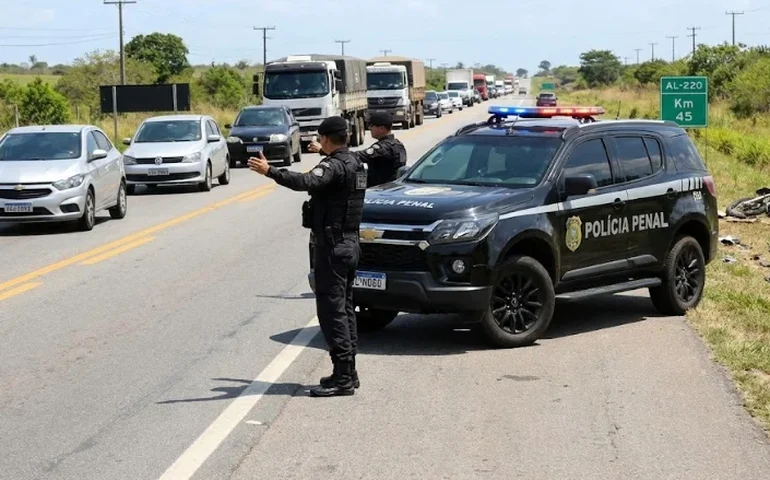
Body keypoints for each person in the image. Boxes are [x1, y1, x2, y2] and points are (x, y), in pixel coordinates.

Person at [247, 116, 366, 398]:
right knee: (345, 309)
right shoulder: (355, 162)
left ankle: (343, 378)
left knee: (332, 311)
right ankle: (347, 372)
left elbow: (306, 180)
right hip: (350, 244)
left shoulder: (334, 166)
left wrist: (270, 171)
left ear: (326, 138)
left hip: (333, 247)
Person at [309, 111, 407, 187]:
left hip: (381, 190)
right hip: (391, 188)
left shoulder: (382, 148)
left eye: (372, 125)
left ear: (381, 128)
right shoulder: (397, 144)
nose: (370, 128)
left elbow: (352, 157)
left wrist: (322, 150)